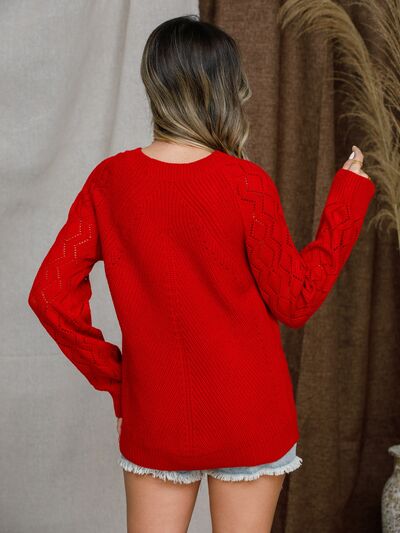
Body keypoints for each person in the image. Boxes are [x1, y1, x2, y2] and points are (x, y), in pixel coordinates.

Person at [28, 14, 376, 533]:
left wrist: (120, 381)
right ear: (226, 90)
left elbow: (49, 294)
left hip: (157, 416)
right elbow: (295, 301)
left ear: (155, 85)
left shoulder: (110, 181)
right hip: (250, 416)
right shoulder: (245, 184)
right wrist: (344, 203)